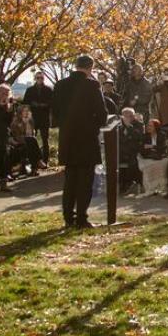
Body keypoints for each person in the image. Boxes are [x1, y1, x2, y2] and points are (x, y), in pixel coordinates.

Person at [53, 55, 108, 228]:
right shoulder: (92, 85)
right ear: (90, 67)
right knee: (85, 181)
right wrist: (94, 125)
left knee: (70, 180)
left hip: (68, 139)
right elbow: (102, 114)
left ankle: (68, 217)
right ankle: (81, 218)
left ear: (76, 66)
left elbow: (54, 113)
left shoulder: (60, 85)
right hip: (86, 139)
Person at [23, 72, 54, 163]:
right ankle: (32, 160)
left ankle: (45, 160)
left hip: (44, 118)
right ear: (35, 78)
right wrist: (33, 104)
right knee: (31, 139)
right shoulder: (30, 90)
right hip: (33, 117)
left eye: (41, 78)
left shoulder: (48, 89)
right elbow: (25, 102)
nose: (40, 79)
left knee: (45, 140)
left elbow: (52, 102)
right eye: (38, 78)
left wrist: (45, 105)